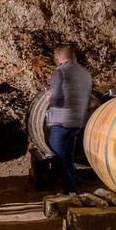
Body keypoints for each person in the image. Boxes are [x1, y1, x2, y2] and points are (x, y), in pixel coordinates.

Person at [47, 44, 93, 195]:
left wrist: (50, 99)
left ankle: (69, 192)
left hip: (61, 122)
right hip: (78, 122)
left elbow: (58, 100)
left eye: (55, 57)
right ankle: (71, 188)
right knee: (69, 157)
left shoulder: (61, 72)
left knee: (59, 159)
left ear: (60, 57)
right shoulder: (85, 73)